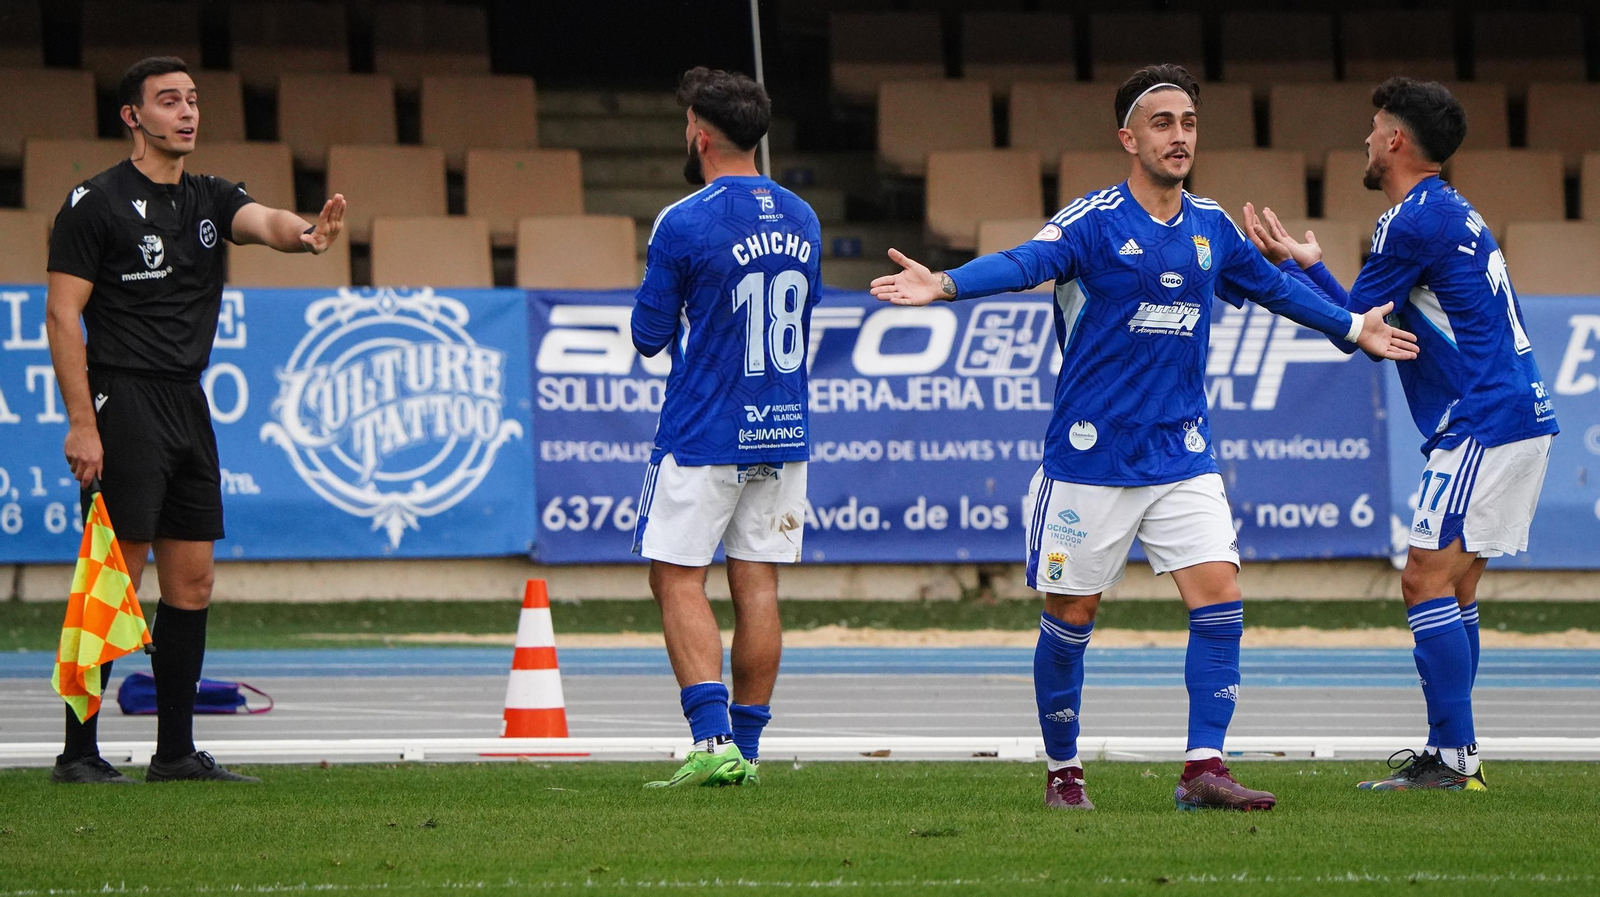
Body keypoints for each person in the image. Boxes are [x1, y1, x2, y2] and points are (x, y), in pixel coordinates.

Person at [869, 64, 1419, 811]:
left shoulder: (1211, 226)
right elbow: (1028, 261)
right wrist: (949, 283)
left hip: (1181, 450)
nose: (1180, 135)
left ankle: (1204, 769)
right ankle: (1064, 772)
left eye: (1189, 122)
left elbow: (1276, 289)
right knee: (1072, 615)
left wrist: (1354, 327)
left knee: (1220, 594)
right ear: (1128, 137)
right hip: (1090, 457)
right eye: (1163, 122)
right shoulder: (1093, 220)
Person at [1241, 77, 1559, 792]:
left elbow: (1353, 331)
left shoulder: (1408, 220)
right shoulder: (1449, 211)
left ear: (1395, 141)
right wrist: (1311, 263)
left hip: (1484, 416)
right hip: (1515, 412)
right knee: (1455, 586)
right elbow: (1367, 322)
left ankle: (1453, 760)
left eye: (1374, 125)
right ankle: (1454, 757)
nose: (1365, 138)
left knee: (1423, 579)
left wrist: (1290, 271)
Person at [45, 56, 346, 784]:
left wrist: (303, 233)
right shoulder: (95, 203)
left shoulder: (208, 197)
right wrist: (83, 423)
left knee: (193, 584)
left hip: (187, 401)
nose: (187, 112)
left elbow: (261, 220)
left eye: (193, 100)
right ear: (132, 116)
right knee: (115, 577)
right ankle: (78, 753)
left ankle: (173, 752)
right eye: (168, 101)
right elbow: (61, 314)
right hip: (124, 400)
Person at [629, 67, 822, 787]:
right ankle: (748, 750)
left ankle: (712, 744)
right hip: (782, 424)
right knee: (758, 584)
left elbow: (648, 335)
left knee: (677, 577)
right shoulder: (803, 215)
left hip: (706, 426)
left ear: (700, 134)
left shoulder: (683, 219)